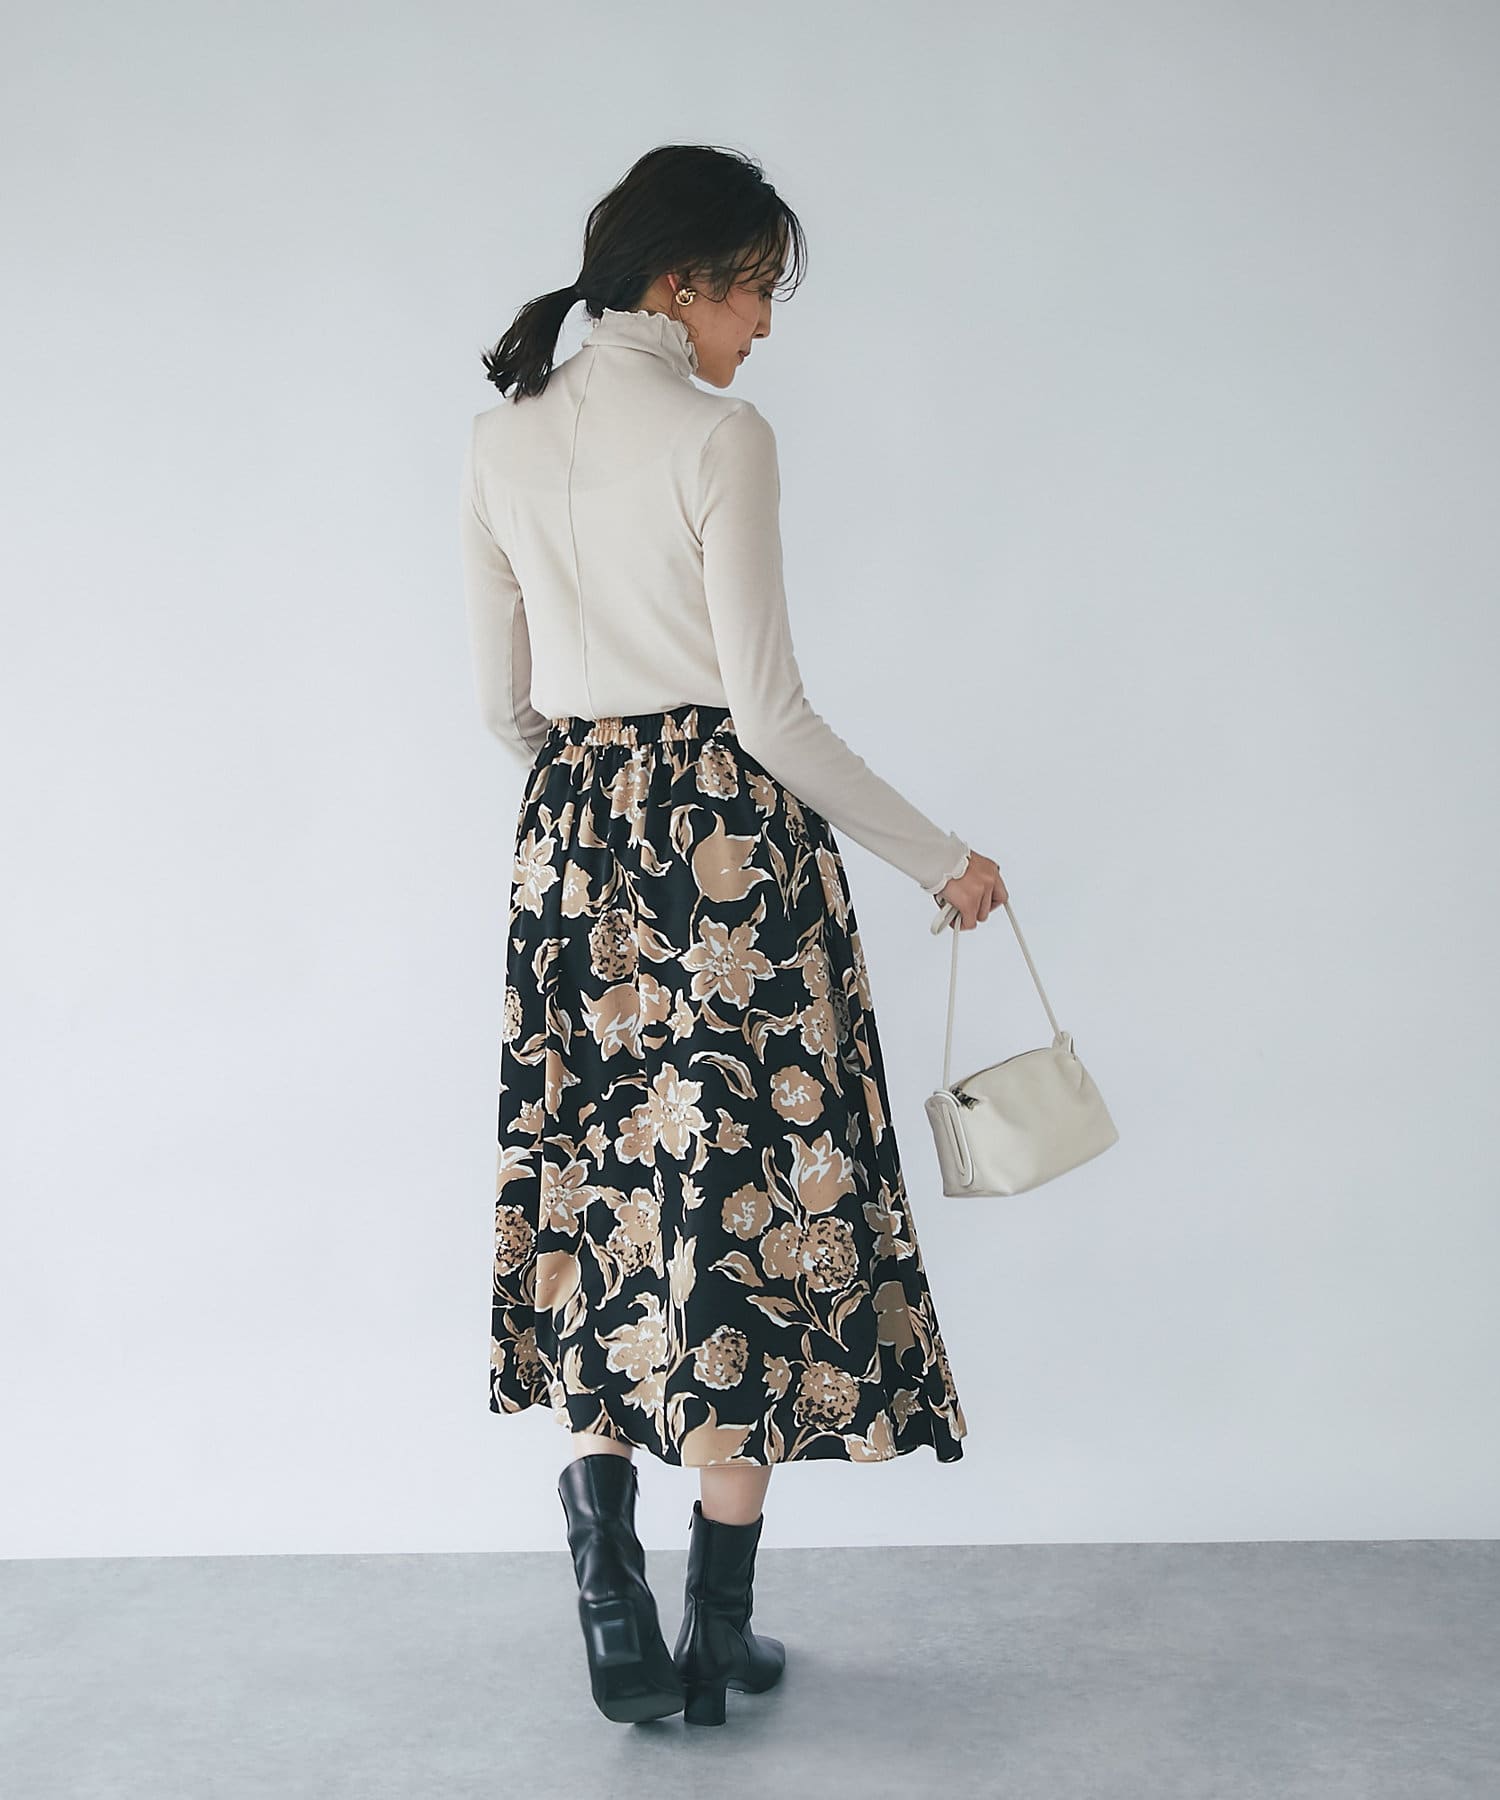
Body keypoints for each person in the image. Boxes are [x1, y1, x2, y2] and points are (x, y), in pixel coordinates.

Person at [460, 143, 1008, 1727]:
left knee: (598, 1202)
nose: (763, 323)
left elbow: (500, 705)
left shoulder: (499, 438)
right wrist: (941, 857)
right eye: (756, 288)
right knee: (734, 1216)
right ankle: (715, 1634)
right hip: (727, 865)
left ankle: (608, 1602)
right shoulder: (721, 437)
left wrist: (595, 794)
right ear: (679, 281)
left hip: (571, 856)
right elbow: (769, 714)